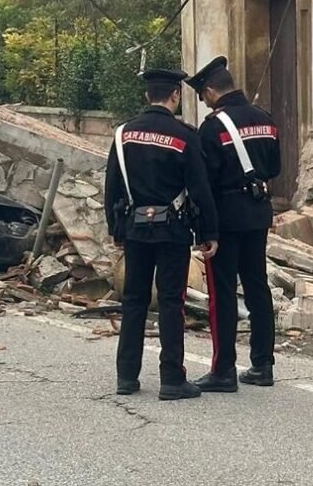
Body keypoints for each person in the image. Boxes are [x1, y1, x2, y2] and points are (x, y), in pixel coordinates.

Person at [104, 67, 219, 401]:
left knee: (134, 301)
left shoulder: (123, 134)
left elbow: (112, 186)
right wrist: (208, 232)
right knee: (171, 301)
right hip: (173, 230)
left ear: (146, 96)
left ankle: (126, 377)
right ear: (176, 96)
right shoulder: (185, 135)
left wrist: (116, 229)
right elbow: (200, 189)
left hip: (135, 229)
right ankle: (171, 379)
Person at [185, 56, 281, 392]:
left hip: (226, 217)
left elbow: (204, 184)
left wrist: (204, 229)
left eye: (203, 96)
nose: (204, 102)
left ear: (211, 91)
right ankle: (263, 364)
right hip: (258, 213)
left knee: (222, 293)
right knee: (257, 287)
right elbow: (275, 167)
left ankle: (223, 369)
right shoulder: (265, 119)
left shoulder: (212, 127)